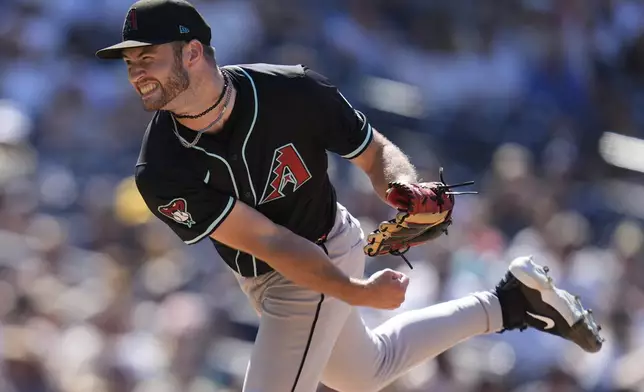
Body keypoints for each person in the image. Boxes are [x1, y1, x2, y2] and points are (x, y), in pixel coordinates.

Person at [95, 1, 604, 391]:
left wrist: (400, 186)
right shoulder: (159, 168)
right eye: (129, 61)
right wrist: (356, 293)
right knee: (367, 371)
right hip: (279, 267)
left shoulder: (292, 91)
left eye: (148, 56)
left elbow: (372, 151)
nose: (136, 70)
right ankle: (509, 304)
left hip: (321, 251)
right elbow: (271, 245)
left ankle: (510, 305)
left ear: (192, 52)